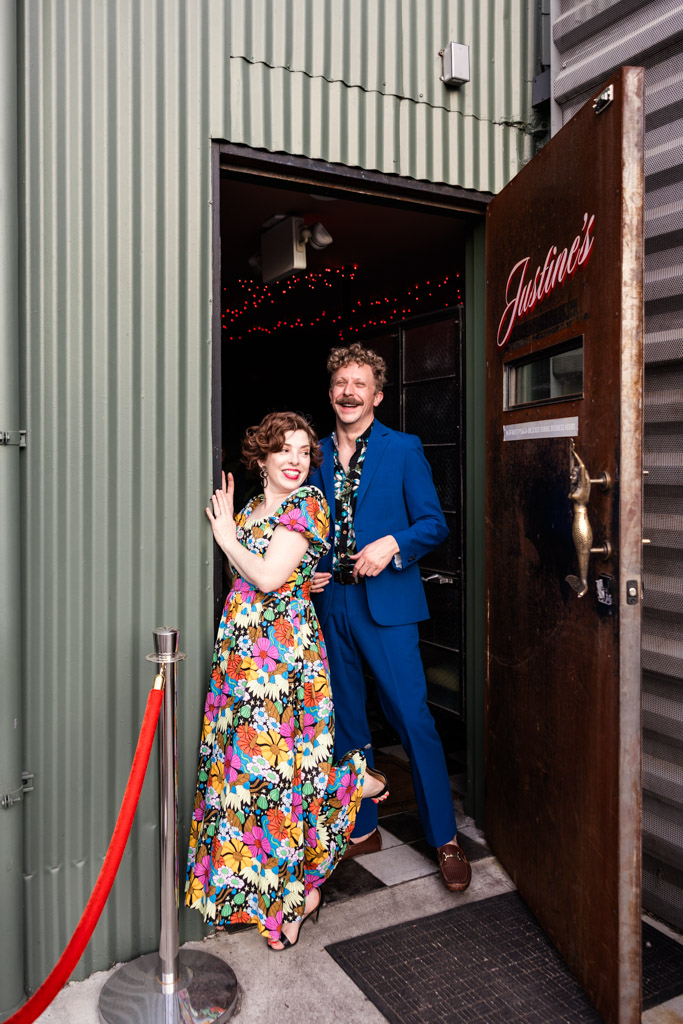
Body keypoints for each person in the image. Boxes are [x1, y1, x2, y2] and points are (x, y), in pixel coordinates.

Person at [185, 411, 388, 951]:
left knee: (279, 772)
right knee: (255, 778)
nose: (297, 459)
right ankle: (342, 794)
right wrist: (240, 542)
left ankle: (296, 896)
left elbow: (271, 577)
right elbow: (247, 576)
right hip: (241, 654)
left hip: (284, 657)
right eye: (285, 450)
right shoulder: (252, 507)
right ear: (262, 459)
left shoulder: (309, 504)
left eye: (304, 451)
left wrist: (227, 537)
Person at [309, 344, 471, 892]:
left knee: (411, 718)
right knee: (347, 720)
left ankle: (445, 837)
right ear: (331, 393)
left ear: (376, 395)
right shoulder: (314, 457)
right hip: (332, 603)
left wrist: (392, 546)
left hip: (389, 603)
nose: (348, 392)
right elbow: (302, 527)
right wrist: (307, 570)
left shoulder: (404, 449)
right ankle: (362, 825)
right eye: (340, 383)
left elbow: (434, 523)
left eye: (360, 383)